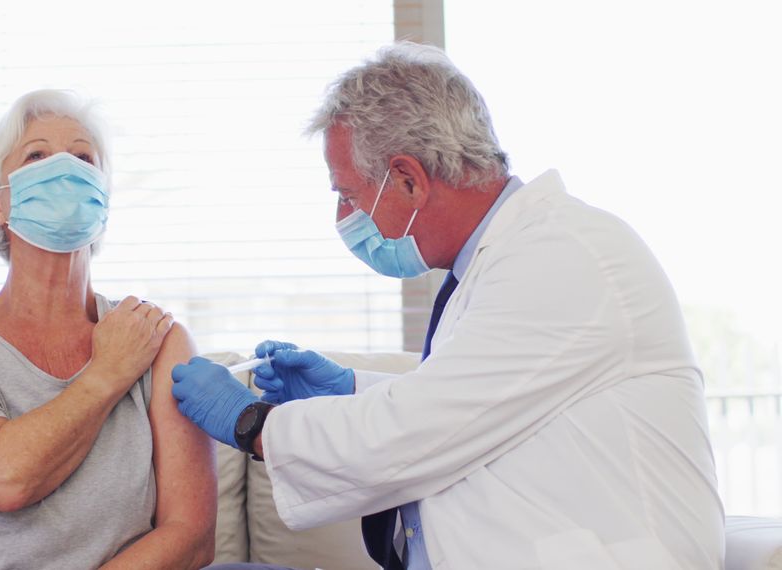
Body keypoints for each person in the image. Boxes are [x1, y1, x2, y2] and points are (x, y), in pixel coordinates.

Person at [173, 43, 723, 570]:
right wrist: (350, 388)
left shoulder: (562, 256)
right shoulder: (504, 263)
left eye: (348, 194)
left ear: (409, 179)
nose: (344, 217)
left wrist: (250, 421)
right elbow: (473, 394)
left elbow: (415, 429)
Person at [0, 89, 216, 570]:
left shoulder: (157, 338)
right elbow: (2, 479)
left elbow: (189, 535)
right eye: (37, 155)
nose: (65, 169)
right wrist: (107, 372)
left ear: (103, 197)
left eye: (83, 157)